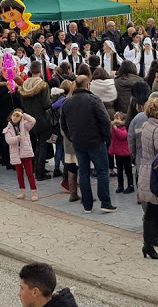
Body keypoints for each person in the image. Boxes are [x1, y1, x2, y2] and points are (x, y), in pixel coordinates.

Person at [60, 75, 116, 214]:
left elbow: (63, 124)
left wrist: (71, 137)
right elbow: (105, 120)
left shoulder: (67, 103)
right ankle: (105, 202)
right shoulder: (94, 100)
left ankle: (87, 205)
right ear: (87, 85)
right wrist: (105, 137)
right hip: (96, 141)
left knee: (83, 173)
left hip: (78, 142)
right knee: (102, 171)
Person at [137, 97, 158, 259]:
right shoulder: (157, 131)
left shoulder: (147, 126)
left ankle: (150, 243)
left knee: (152, 211)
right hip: (154, 173)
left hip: (146, 170)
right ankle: (148, 246)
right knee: (154, 212)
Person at [19, 62, 53, 181]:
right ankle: (40, 171)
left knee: (34, 144)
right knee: (42, 144)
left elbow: (22, 103)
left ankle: (34, 167)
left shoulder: (24, 85)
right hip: (41, 118)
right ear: (40, 71)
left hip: (29, 118)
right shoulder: (43, 85)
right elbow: (46, 104)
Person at [4, 109, 38, 201]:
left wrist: (23, 115)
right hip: (15, 154)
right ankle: (22, 191)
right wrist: (17, 138)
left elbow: (33, 120)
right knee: (19, 174)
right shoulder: (8, 128)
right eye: (14, 115)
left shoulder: (25, 125)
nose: (15, 117)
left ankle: (34, 191)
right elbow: (8, 140)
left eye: (17, 116)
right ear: (10, 116)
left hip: (25, 152)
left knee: (29, 173)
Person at [109, 112, 133, 193]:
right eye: (114, 118)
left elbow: (123, 136)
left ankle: (130, 185)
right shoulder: (114, 128)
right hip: (118, 153)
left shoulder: (123, 128)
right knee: (119, 171)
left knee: (128, 170)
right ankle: (120, 185)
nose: (115, 120)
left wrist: (116, 129)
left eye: (117, 118)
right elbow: (112, 139)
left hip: (125, 153)